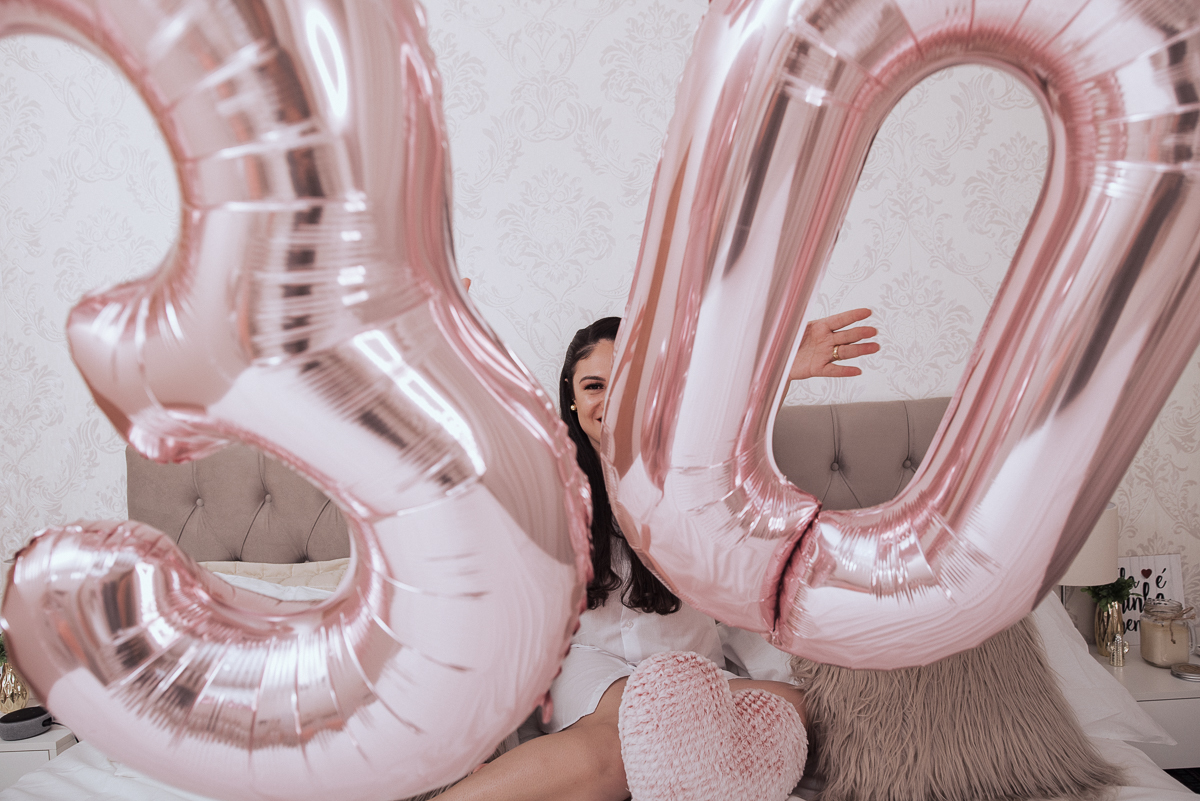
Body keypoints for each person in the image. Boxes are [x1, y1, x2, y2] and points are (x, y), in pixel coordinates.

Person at [437, 309, 879, 801]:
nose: (610, 400)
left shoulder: (698, 475)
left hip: (693, 666)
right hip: (590, 668)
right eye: (593, 386)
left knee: (802, 715)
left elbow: (735, 448)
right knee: (623, 739)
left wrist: (776, 374)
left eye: (628, 382)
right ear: (572, 397)